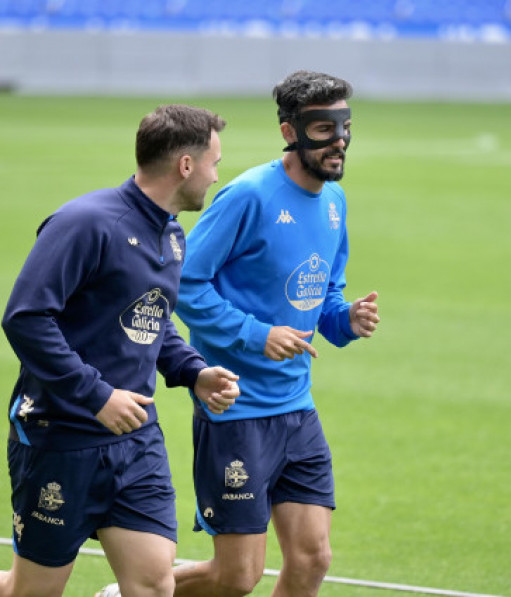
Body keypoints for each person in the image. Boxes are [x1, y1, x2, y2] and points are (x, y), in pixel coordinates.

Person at [0, 104, 241, 597]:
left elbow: (149, 319)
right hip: (60, 439)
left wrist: (192, 371)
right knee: (34, 591)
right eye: (215, 163)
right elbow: (24, 317)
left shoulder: (172, 236)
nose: (217, 176)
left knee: (154, 584)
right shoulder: (85, 223)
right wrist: (97, 396)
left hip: (135, 440)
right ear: (186, 165)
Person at [166, 70, 379, 597]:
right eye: (324, 128)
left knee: (311, 559)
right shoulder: (247, 196)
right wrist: (256, 334)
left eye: (345, 126)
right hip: (236, 409)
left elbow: (322, 295)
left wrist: (344, 320)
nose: (340, 140)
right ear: (290, 132)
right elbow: (184, 283)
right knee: (236, 577)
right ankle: (133, 592)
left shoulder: (335, 202)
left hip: (296, 407)